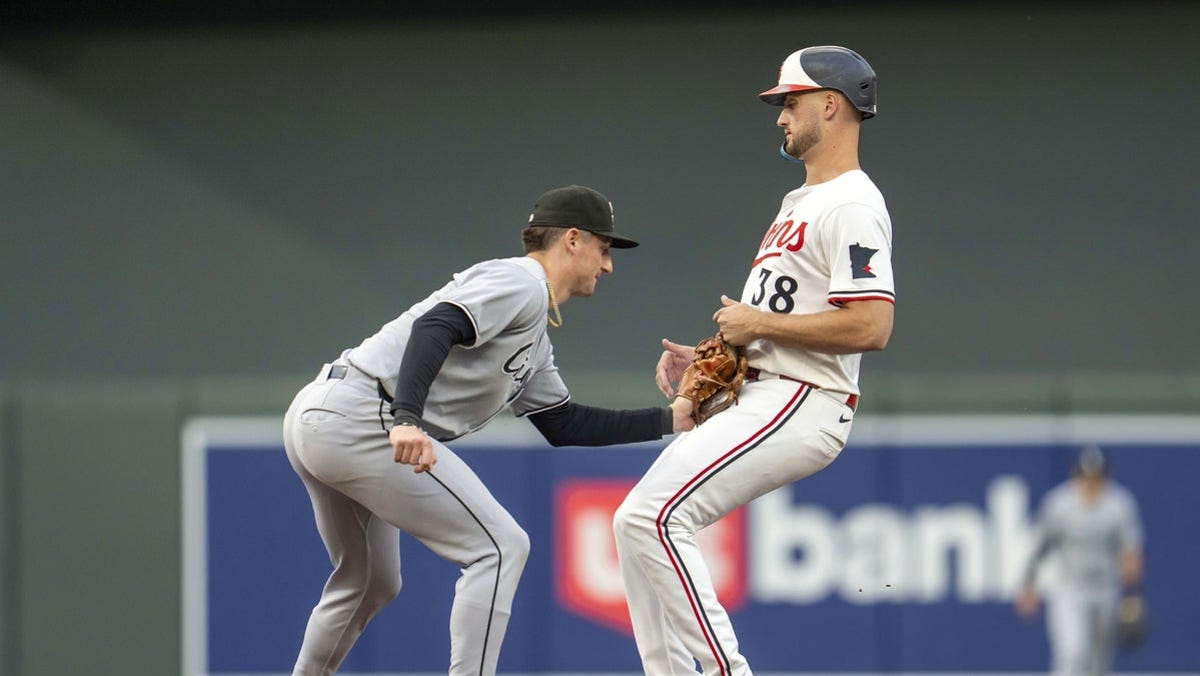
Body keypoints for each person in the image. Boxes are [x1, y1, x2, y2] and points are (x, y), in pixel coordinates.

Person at [282, 184, 696, 676]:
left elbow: (563, 424)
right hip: (361, 414)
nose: (607, 265)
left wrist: (674, 418)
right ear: (571, 239)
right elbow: (435, 327)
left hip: (326, 415)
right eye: (603, 249)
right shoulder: (521, 281)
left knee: (370, 580)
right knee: (499, 547)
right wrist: (407, 419)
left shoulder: (535, 333)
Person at [613, 45, 895, 675]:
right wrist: (715, 351)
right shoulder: (802, 200)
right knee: (634, 526)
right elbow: (776, 315)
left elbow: (873, 325)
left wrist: (759, 326)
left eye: (790, 102)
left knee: (653, 517)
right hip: (767, 387)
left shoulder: (851, 203)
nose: (779, 115)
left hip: (803, 398)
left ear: (832, 104)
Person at [1016, 445, 1145, 676]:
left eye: (1096, 477)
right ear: (1075, 475)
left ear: (1106, 476)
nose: (1091, 483)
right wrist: (1029, 584)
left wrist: (1132, 595)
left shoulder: (1119, 505)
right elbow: (1039, 547)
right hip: (1070, 588)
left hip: (1106, 588)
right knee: (1073, 654)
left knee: (1099, 664)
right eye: (1086, 477)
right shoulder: (1060, 504)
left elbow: (1130, 554)